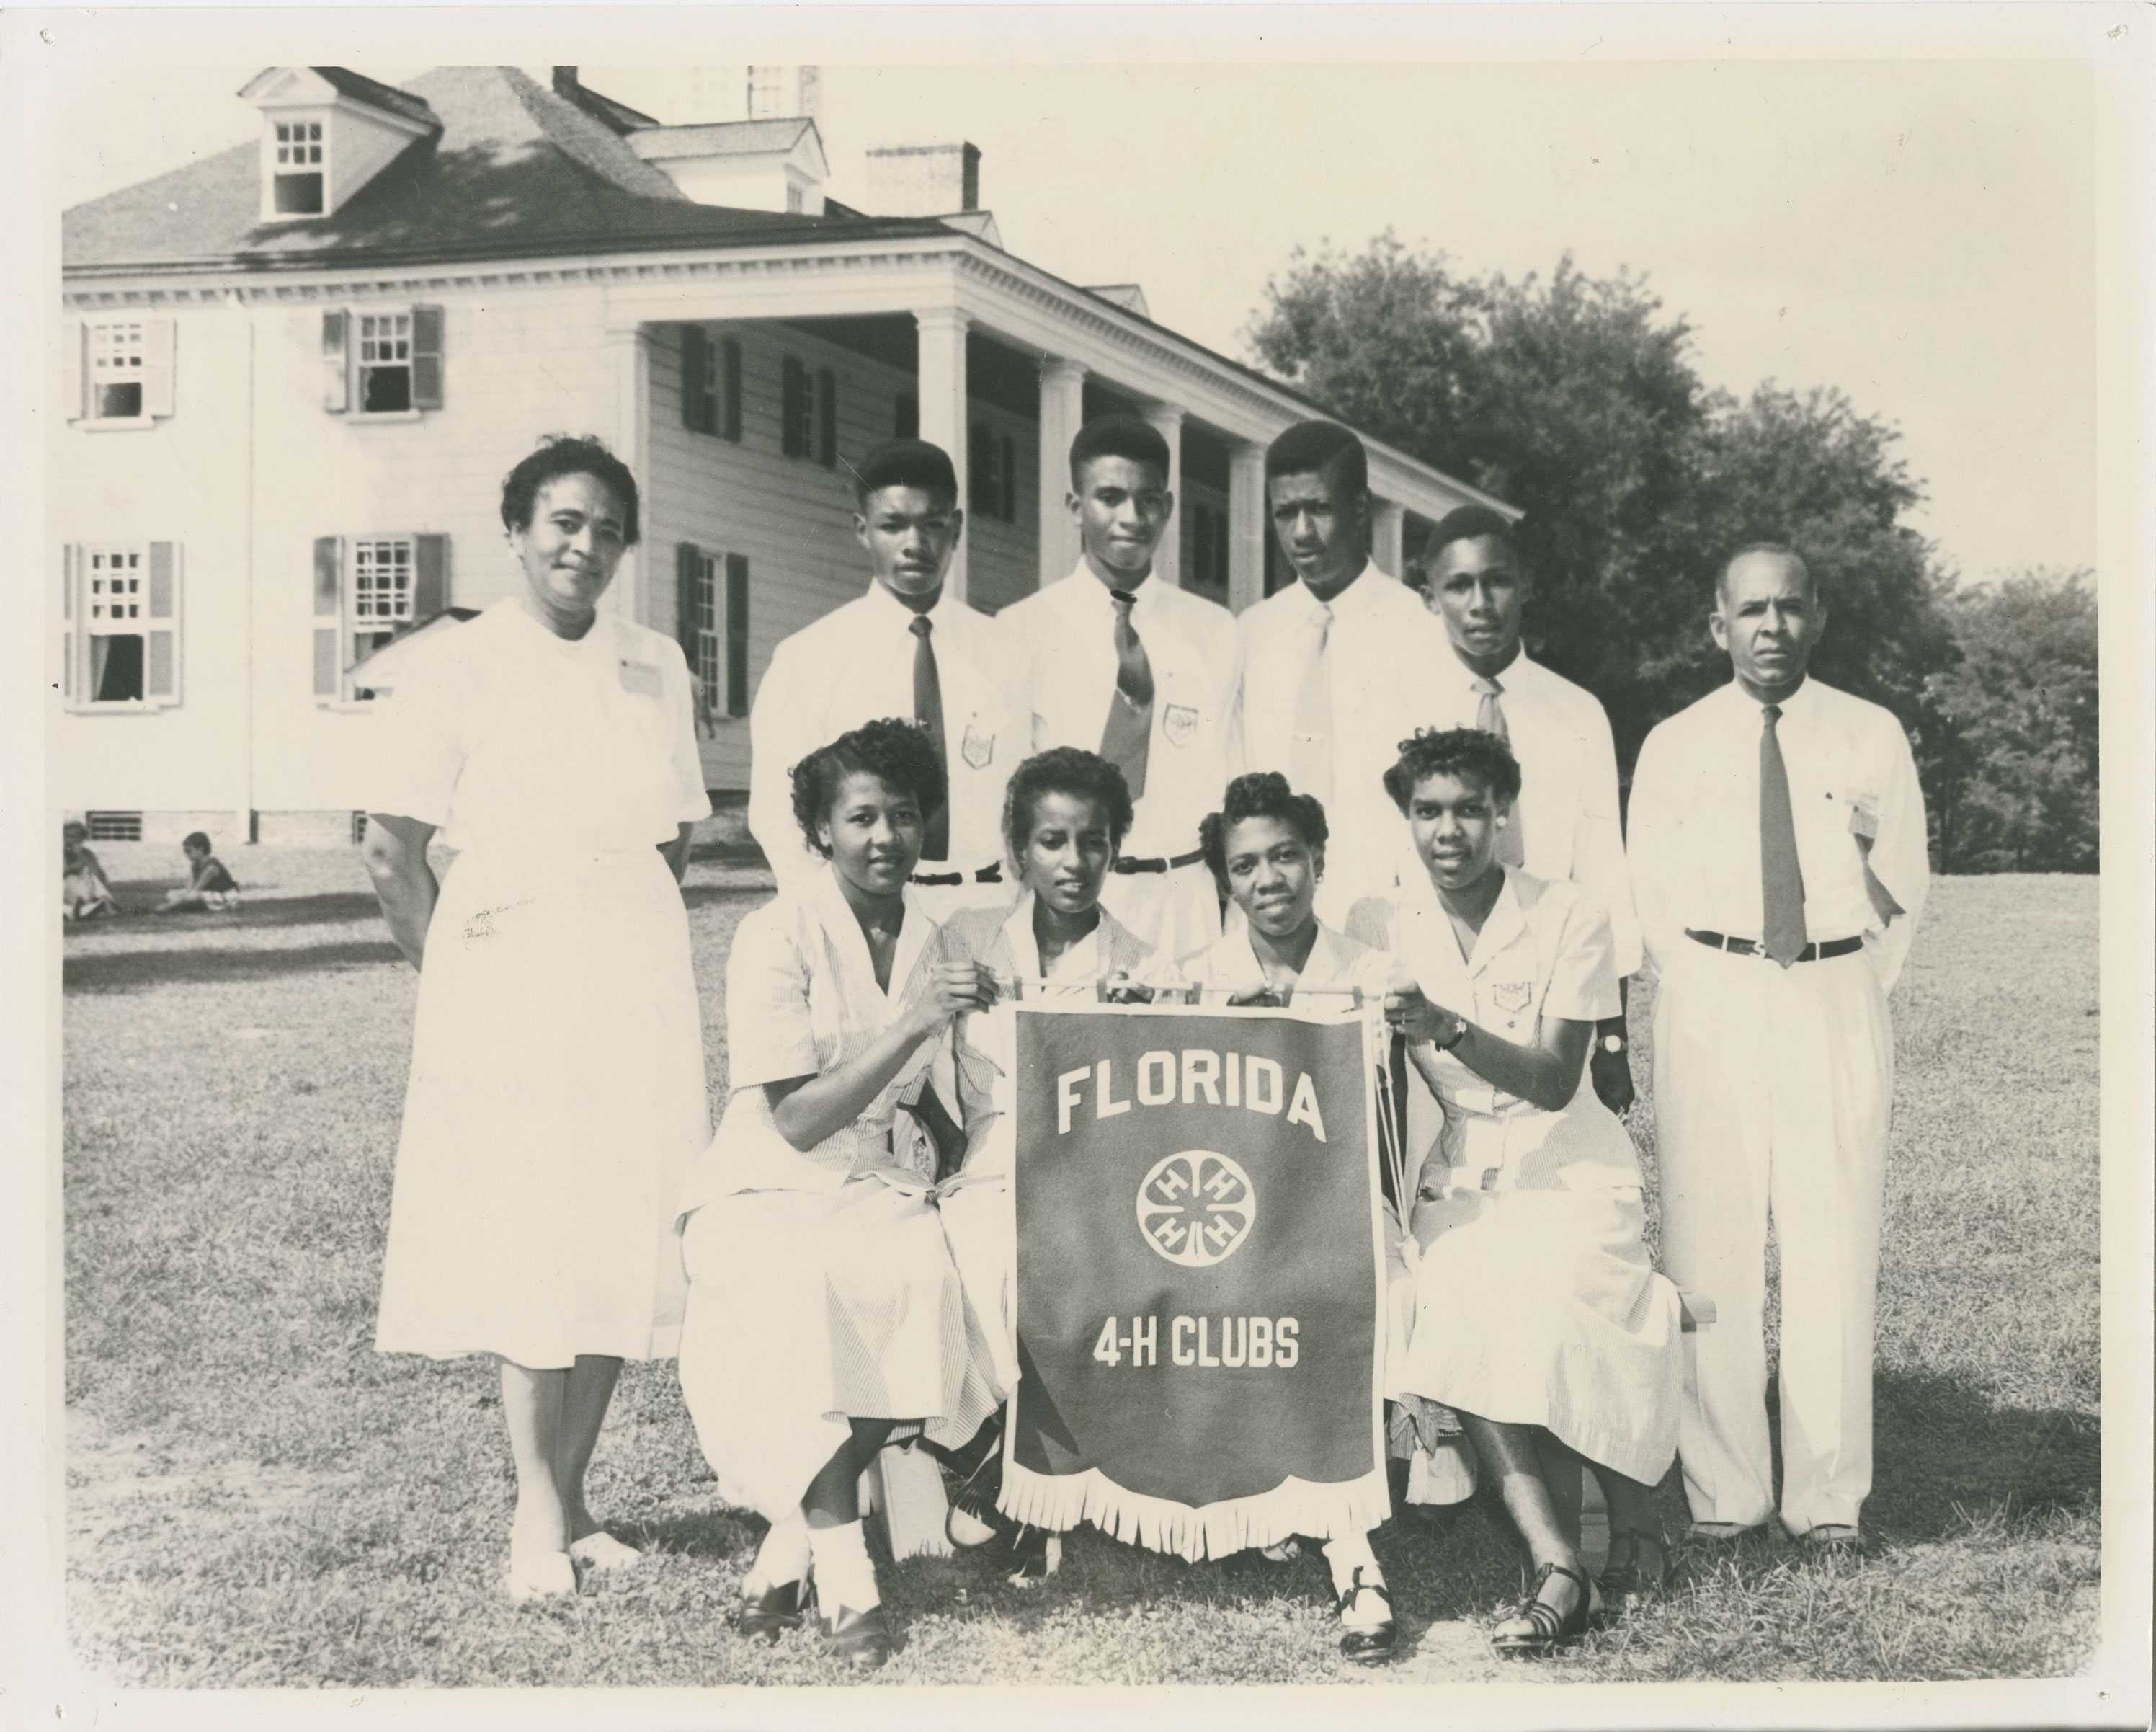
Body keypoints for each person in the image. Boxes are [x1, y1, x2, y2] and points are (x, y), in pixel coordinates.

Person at [359, 435, 712, 1602]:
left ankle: (574, 1494)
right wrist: (454, 979)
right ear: (516, 529)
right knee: (532, 1232)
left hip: (633, 981)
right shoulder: (456, 665)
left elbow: (672, 833)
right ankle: (532, 1512)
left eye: (607, 528)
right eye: (564, 521)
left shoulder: (655, 663)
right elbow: (390, 850)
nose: (585, 546)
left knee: (622, 1221)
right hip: (507, 994)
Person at [675, 718, 1003, 1670]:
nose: (886, 836)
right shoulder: (772, 933)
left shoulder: (937, 935)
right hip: (766, 1178)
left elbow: (951, 1086)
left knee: (918, 1282)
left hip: (879, 1177)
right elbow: (793, 1120)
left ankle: (788, 1544)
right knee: (800, 1283)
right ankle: (845, 1562)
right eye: (861, 816)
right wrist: (910, 1026)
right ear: (821, 827)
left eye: (905, 815)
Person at [1626, 544, 1928, 1555]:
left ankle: (1828, 1491)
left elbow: (1904, 885)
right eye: (1750, 609)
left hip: (1835, 994)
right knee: (1709, 1239)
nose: (1771, 627)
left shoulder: (1870, 732)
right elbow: (1651, 896)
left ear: (1818, 617)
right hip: (1712, 994)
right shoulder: (1675, 742)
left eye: (1790, 608)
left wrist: (1835, 982)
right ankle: (1725, 1482)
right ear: (1717, 624)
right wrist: (1724, 976)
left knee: (1830, 1237)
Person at [1360, 727, 1685, 1655]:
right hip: (1463, 1170)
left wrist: (1444, 1025)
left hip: (1569, 1160)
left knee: (1561, 1298)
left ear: (1503, 814)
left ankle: (1638, 1532)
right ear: (1405, 820)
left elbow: (1551, 1079)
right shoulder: (1380, 924)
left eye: (1470, 809)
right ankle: (1558, 1564)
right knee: (1461, 1291)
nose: (1449, 831)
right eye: (1428, 812)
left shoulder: (1570, 914)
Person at [1182, 770, 1406, 1665]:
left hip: (1340, 1210)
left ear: (1317, 859)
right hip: (1238, 1216)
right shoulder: (1197, 981)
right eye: (1245, 866)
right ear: (1225, 883)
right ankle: (1295, 1519)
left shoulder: (1372, 973)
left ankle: (1348, 1549)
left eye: (1284, 856)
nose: (1268, 879)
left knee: (1348, 1290)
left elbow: (1379, 1119)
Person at [935, 745, 1172, 1582]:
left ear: (1115, 849)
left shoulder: (1145, 962)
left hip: (1103, 1169)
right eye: (1052, 841)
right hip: (995, 1160)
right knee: (986, 1265)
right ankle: (998, 1469)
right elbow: (922, 1070)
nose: (1074, 863)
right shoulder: (967, 938)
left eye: (1094, 842)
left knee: (1092, 1271)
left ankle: (1026, 1488)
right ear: (1017, 848)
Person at [1406, 505, 1640, 1117]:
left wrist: (1612, 1037)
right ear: (1430, 595)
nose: (1480, 602)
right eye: (1458, 585)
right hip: (1437, 970)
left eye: (1497, 580)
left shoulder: (1577, 712)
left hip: (1553, 978)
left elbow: (1602, 872)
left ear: (1526, 584)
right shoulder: (1395, 708)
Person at [747, 439, 1025, 924]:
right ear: (862, 529)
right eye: (893, 525)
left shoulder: (1008, 652)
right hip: (865, 911)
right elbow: (779, 816)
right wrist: (834, 920)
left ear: (957, 528)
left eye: (932, 524)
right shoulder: (807, 658)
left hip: (992, 907)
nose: (914, 545)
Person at [998, 414, 1240, 959]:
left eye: (1148, 499)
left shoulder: (1214, 631)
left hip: (1185, 901)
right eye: (1110, 497)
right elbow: (1008, 794)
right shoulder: (1021, 629)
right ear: (1075, 506)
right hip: (1067, 902)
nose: (1131, 517)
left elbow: (1231, 780)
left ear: (1169, 507)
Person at [1236, 422, 1452, 925]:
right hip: (1270, 911)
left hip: (1389, 907)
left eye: (1320, 508)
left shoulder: (1422, 630)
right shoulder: (1251, 634)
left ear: (1359, 509)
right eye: (1286, 513)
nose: (1302, 532)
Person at [152, 832, 241, 913]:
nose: (186, 854)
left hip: (226, 897)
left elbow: (196, 890)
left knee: (192, 897)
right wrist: (181, 898)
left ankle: (187, 907)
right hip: (208, 894)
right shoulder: (195, 865)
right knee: (171, 894)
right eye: (185, 851)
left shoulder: (211, 867)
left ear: (201, 849)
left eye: (189, 851)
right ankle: (190, 906)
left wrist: (167, 907)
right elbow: (189, 889)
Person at [63, 821, 121, 920]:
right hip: (65, 892)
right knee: (71, 877)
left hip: (85, 892)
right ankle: (98, 907)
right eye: (69, 836)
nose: (72, 840)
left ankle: (95, 906)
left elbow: (100, 878)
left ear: (82, 838)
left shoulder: (87, 853)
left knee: (88, 873)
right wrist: (72, 868)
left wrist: (83, 858)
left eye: (77, 836)